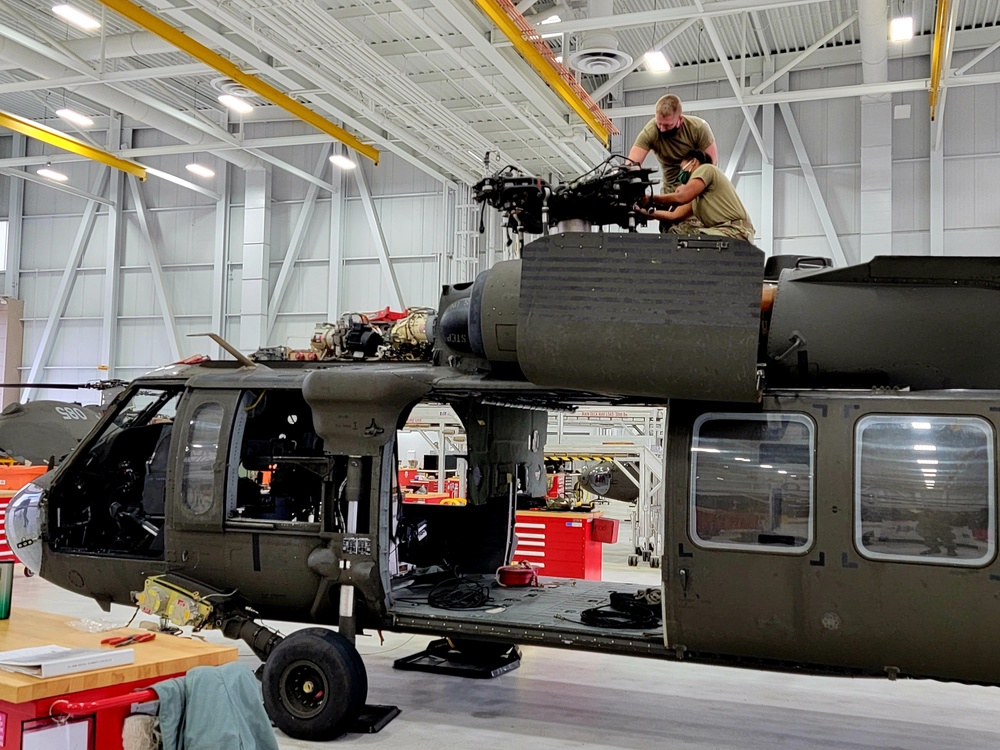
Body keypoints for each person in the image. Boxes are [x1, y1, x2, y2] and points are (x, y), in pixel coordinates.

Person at [638, 150, 755, 242]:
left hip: (734, 230)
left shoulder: (706, 169)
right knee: (677, 231)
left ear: (693, 161)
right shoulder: (698, 197)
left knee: (687, 238)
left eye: (682, 167)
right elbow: (674, 216)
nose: (681, 173)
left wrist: (652, 198)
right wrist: (646, 212)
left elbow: (681, 197)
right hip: (726, 231)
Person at [627, 94, 719, 193]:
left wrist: (692, 190)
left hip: (696, 190)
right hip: (669, 192)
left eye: (667, 125)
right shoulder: (651, 131)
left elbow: (711, 167)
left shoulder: (698, 128)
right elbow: (631, 163)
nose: (662, 129)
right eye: (659, 123)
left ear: (680, 119)